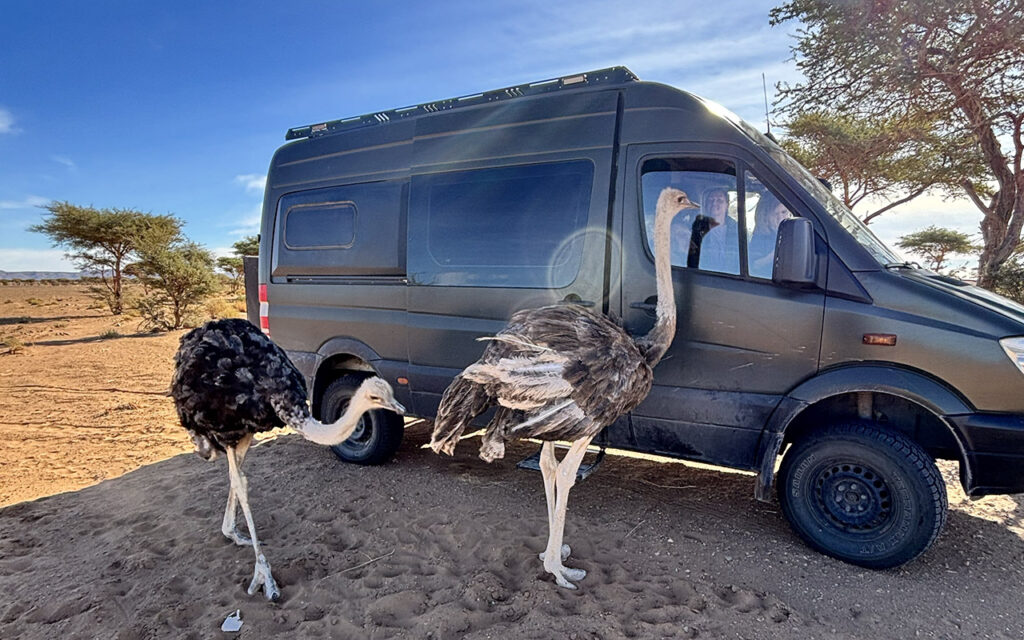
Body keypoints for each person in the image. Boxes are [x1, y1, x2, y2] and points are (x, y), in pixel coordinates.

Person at [748, 191, 792, 278]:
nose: (780, 218)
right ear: (766, 216)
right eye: (775, 214)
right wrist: (773, 255)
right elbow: (754, 265)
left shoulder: (793, 234)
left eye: (783, 212)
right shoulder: (760, 239)